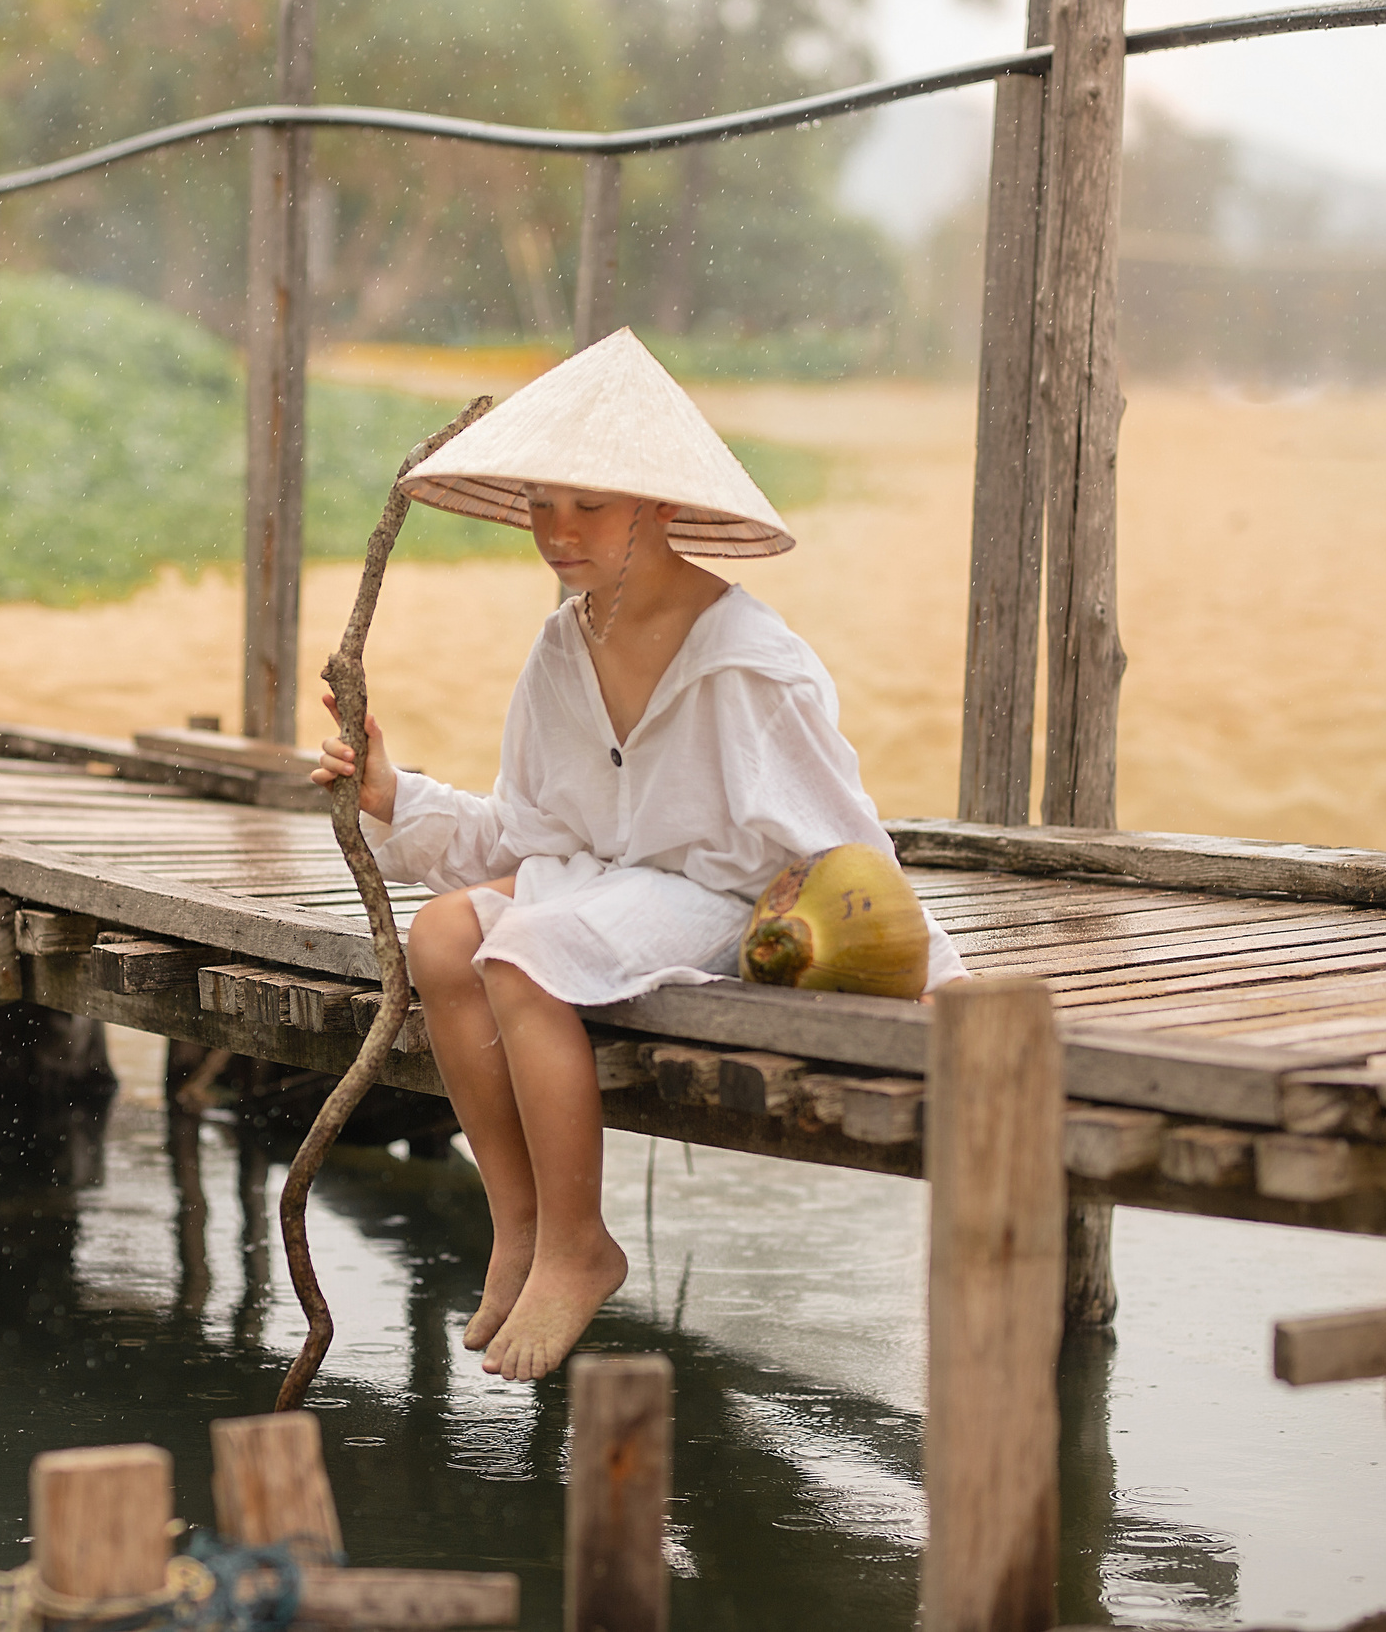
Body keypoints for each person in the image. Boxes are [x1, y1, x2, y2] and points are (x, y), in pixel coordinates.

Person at [309, 329, 966, 1382]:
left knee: (528, 954)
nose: (557, 532)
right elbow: (528, 835)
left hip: (722, 900)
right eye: (541, 504)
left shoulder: (751, 665)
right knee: (445, 937)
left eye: (589, 505)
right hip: (604, 892)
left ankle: (581, 1246)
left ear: (658, 507)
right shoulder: (562, 644)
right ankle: (518, 1222)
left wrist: (936, 979)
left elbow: (848, 853)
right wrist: (392, 794)